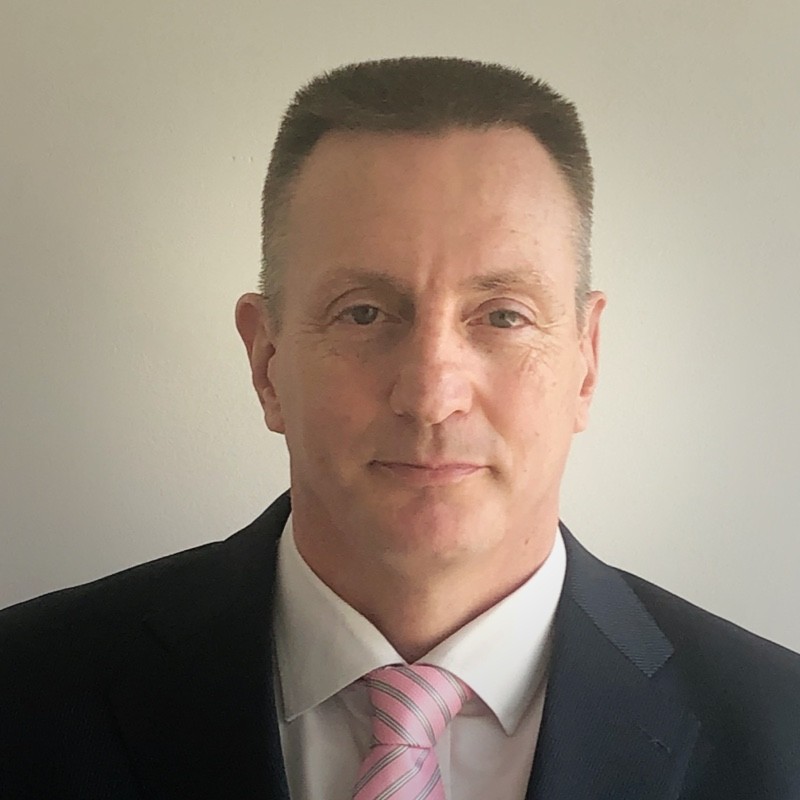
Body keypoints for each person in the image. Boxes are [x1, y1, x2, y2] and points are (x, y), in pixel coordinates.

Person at [1, 56, 798, 800]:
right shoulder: (25, 691)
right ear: (266, 361)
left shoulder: (780, 732)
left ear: (586, 363)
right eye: (363, 313)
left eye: (503, 315)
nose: (431, 396)